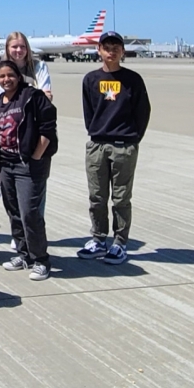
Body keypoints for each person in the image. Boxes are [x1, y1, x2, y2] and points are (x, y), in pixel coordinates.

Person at [77, 31, 151, 265]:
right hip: (98, 145)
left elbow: (143, 112)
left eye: (116, 47)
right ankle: (98, 238)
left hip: (124, 146)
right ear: (99, 50)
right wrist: (97, 131)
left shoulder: (133, 80)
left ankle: (120, 242)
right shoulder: (90, 79)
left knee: (121, 198)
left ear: (122, 51)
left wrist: (132, 138)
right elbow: (89, 111)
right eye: (106, 47)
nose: (111, 51)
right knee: (97, 196)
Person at [0, 60, 58, 281]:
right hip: (6, 165)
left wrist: (35, 156)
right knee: (14, 212)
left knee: (30, 213)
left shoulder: (33, 97)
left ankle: (41, 260)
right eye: (1, 76)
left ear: (19, 76)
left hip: (28, 165)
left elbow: (48, 127)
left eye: (10, 75)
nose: (6, 79)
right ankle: (24, 254)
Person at [0, 32, 53, 100]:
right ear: (7, 48)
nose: (19, 50)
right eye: (14, 47)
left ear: (27, 48)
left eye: (22, 46)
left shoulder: (40, 66)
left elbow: (46, 98)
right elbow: (3, 99)